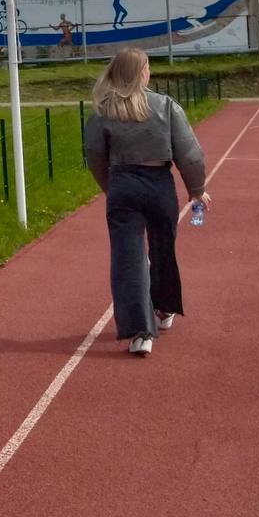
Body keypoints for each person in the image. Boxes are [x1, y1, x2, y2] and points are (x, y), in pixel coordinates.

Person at [83, 48, 210, 356]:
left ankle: (141, 333)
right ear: (142, 73)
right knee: (163, 248)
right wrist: (196, 189)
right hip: (158, 185)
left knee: (128, 258)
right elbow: (189, 153)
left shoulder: (103, 112)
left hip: (123, 185)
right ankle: (164, 309)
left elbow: (95, 157)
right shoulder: (166, 106)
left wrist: (110, 188)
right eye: (148, 67)